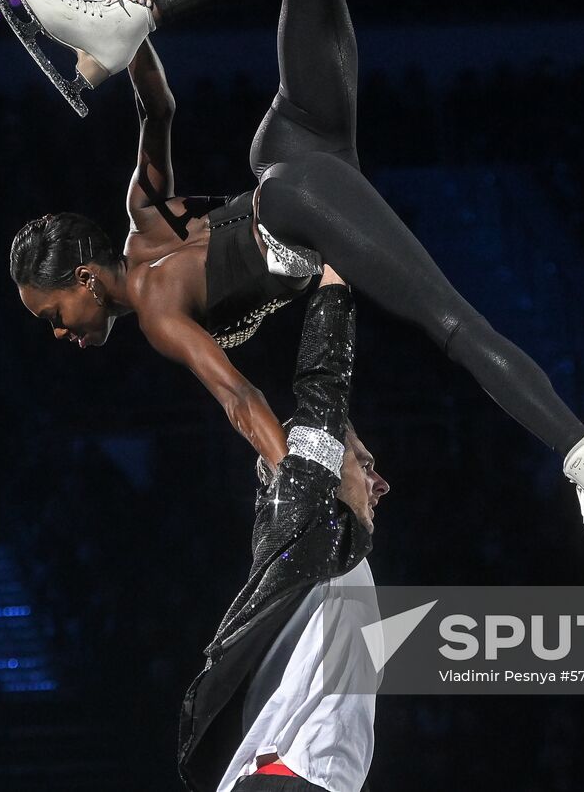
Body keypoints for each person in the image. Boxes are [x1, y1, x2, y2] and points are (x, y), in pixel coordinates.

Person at [4, 0, 584, 587]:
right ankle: (137, 13)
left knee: (450, 323)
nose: (61, 332)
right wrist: (138, 31)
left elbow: (240, 398)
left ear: (86, 278)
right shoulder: (143, 214)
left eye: (53, 314)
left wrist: (296, 488)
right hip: (295, 149)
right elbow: (158, 108)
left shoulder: (154, 312)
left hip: (295, 200)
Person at [179, 269, 386, 792]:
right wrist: (335, 278)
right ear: (313, 470)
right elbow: (323, 383)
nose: (380, 482)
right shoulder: (306, 525)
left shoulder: (327, 557)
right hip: (288, 780)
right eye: (362, 463)